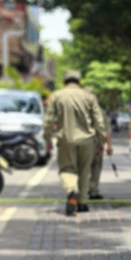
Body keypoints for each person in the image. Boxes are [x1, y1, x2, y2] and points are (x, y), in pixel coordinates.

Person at [44, 70, 107, 216]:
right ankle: (83, 203)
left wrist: (47, 138)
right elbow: (99, 121)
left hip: (66, 139)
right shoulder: (89, 96)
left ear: (64, 81)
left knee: (67, 169)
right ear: (79, 81)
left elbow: (48, 120)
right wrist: (101, 140)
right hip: (88, 140)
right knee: (85, 170)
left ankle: (71, 190)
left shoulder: (57, 96)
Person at [85, 88, 113, 200]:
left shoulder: (78, 110)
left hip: (82, 143)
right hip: (96, 143)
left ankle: (83, 189)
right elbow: (105, 130)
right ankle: (93, 191)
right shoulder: (99, 111)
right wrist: (107, 145)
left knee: (83, 168)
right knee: (96, 167)